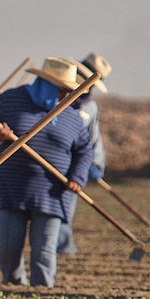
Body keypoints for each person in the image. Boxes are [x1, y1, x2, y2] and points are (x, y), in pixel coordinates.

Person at [0, 57, 92, 288]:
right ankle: (15, 287)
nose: (66, 96)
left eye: (70, 92)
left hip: (52, 192)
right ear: (46, 83)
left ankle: (42, 294)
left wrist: (77, 178)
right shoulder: (11, 99)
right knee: (8, 247)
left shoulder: (72, 116)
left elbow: (85, 150)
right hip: (11, 188)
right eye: (62, 90)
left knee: (44, 249)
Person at [59, 53, 111, 254]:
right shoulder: (60, 98)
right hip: (53, 159)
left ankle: (63, 247)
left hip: (74, 165)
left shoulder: (89, 105)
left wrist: (95, 164)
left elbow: (92, 138)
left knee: (66, 207)